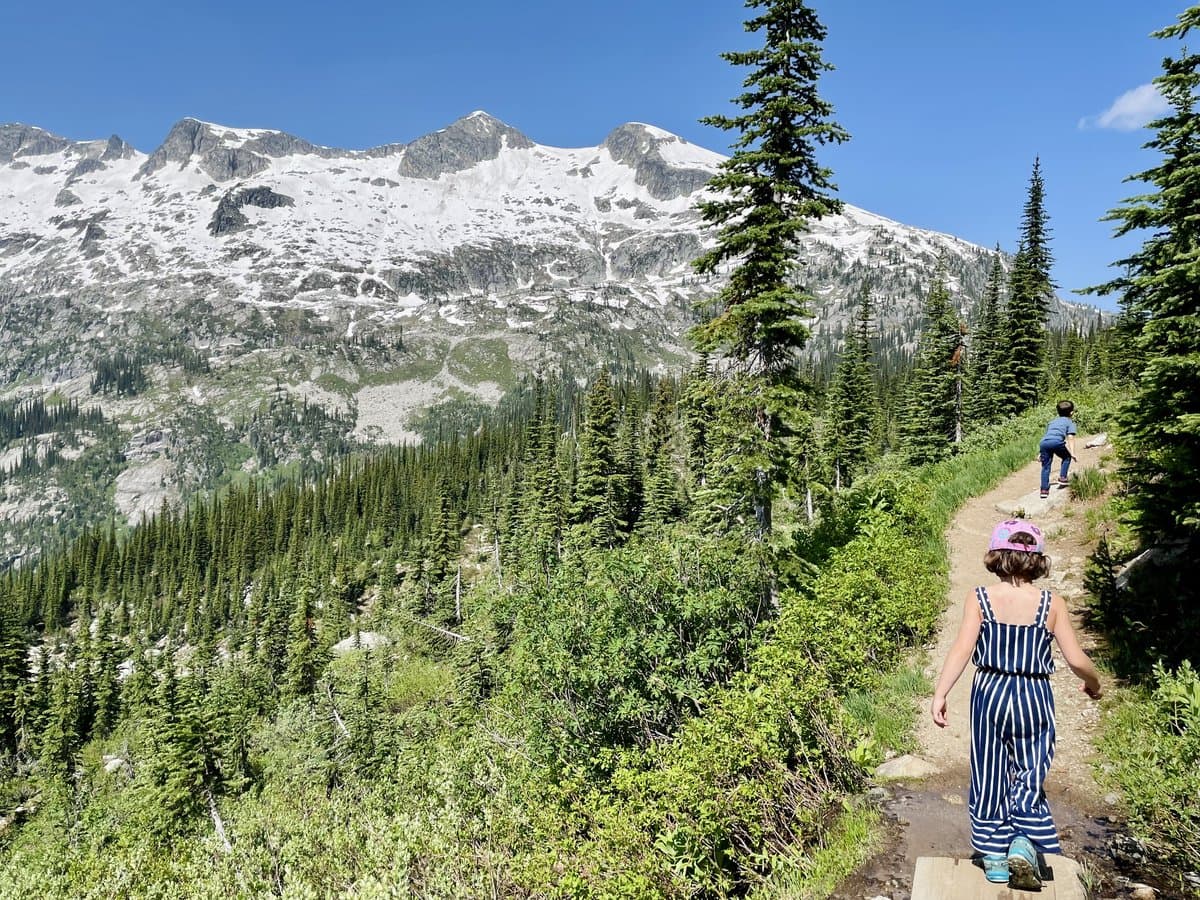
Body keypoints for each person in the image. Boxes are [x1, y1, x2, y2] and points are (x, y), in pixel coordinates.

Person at [930, 519, 1102, 890]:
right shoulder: (1051, 604)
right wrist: (1094, 683)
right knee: (1029, 769)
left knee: (989, 772)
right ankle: (1024, 842)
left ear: (996, 556)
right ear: (1037, 560)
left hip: (990, 693)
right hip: (1033, 696)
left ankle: (993, 857)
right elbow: (1075, 658)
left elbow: (962, 648)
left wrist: (941, 693)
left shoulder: (980, 598)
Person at [1039, 401, 1078, 498]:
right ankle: (1063, 477)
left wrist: (1040, 452)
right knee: (1067, 457)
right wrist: (1072, 453)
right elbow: (1070, 437)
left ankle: (1044, 490)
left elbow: (1047, 436)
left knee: (1045, 466)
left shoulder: (1051, 422)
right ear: (1071, 413)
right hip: (1057, 442)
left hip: (1044, 443)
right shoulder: (1070, 422)